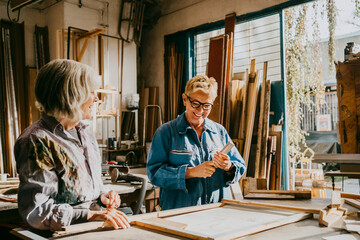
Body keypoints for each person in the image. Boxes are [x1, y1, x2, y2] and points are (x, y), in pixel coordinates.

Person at [14, 59, 130, 231]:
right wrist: (91, 215)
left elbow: (84, 193)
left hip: (92, 229)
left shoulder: (85, 134)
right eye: (91, 92)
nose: (96, 98)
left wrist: (102, 197)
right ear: (71, 96)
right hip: (62, 233)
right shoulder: (37, 141)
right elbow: (38, 212)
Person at [147, 75, 246, 210]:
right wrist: (191, 172)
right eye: (195, 104)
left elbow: (240, 166)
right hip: (179, 213)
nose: (200, 111)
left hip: (216, 212)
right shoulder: (166, 132)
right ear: (184, 99)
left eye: (206, 106)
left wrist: (228, 166)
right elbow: (155, 173)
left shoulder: (219, 132)